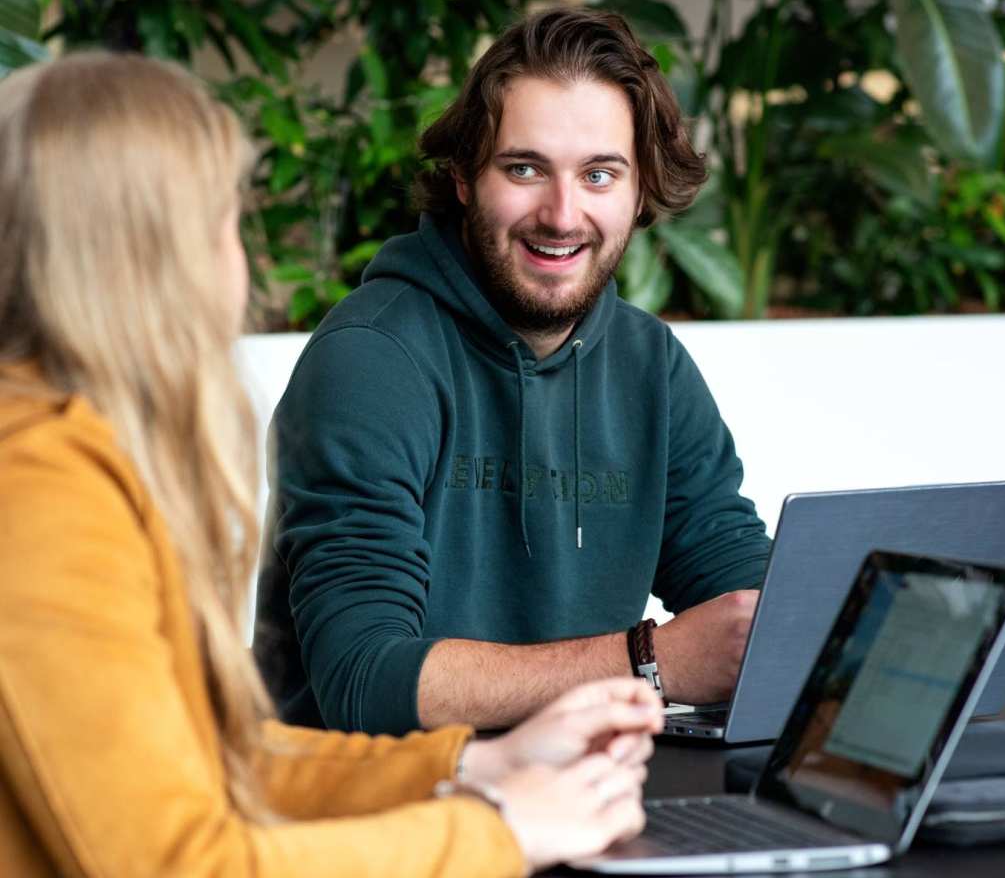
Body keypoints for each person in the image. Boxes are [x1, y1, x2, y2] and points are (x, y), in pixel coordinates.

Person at [0, 52, 662, 877]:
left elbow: (210, 757)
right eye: (227, 224)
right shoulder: (37, 491)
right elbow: (173, 864)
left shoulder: (72, 454)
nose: (239, 268)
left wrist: (470, 767)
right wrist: (499, 831)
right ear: (150, 257)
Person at [255, 7, 772, 739]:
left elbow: (748, 595)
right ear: (464, 178)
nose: (563, 215)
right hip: (386, 820)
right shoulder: (371, 359)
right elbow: (362, 681)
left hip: (586, 804)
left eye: (599, 174)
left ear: (639, 189)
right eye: (525, 169)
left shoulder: (649, 365)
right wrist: (648, 660)